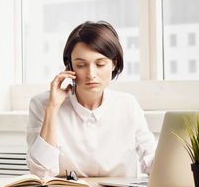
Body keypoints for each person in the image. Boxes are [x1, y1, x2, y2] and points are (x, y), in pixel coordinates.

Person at [26, 21, 156, 178]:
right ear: (69, 67)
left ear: (114, 63)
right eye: (81, 65)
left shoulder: (128, 105)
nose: (91, 74)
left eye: (100, 64)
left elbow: (153, 164)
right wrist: (52, 108)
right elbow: (41, 172)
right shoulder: (42, 104)